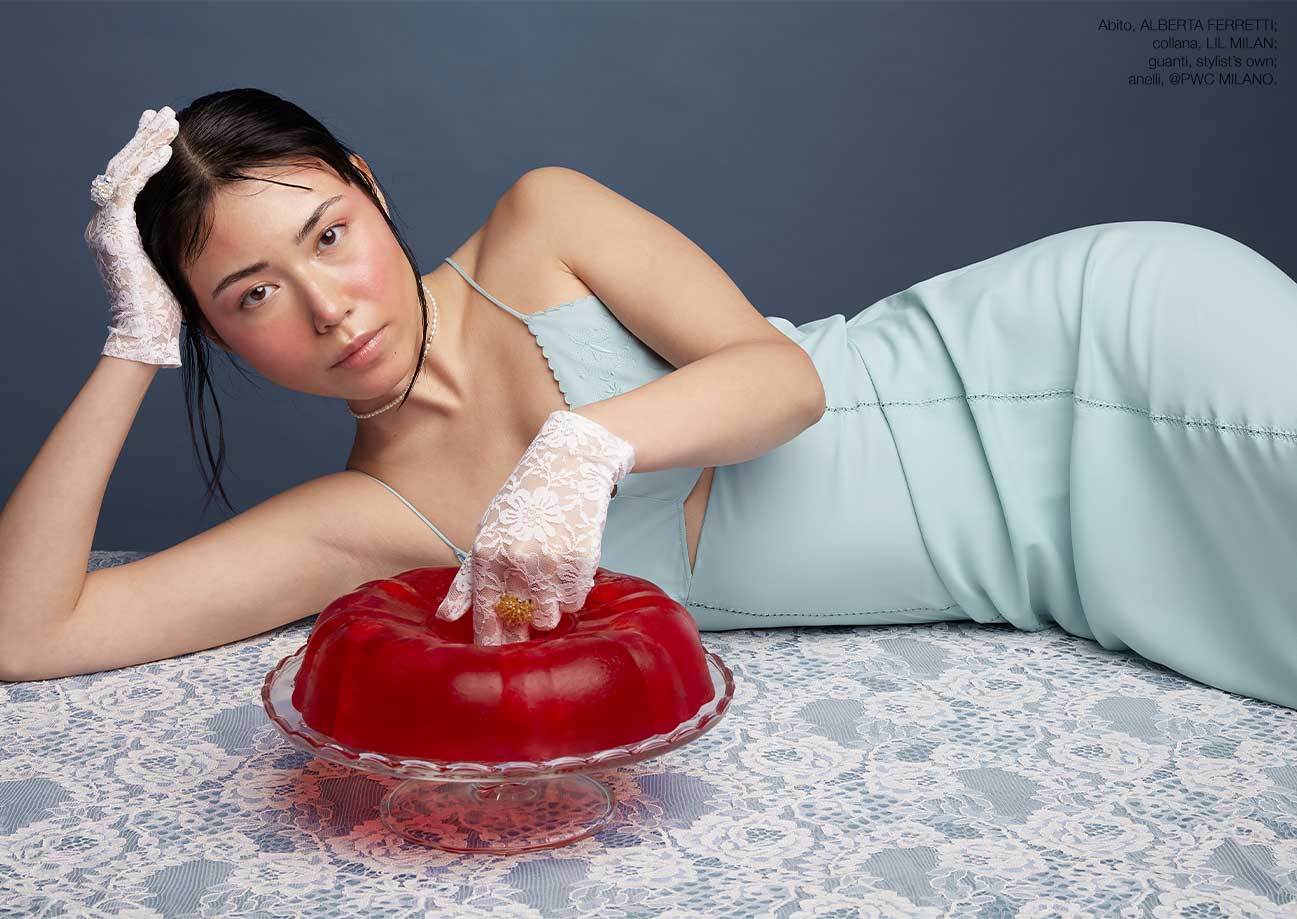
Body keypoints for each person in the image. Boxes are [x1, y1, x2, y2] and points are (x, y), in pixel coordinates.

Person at [2, 89, 1294, 712]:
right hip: (1072, 562)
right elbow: (29, 632)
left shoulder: (539, 225)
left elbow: (782, 381)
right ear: (211, 331)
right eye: (251, 297)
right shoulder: (370, 523)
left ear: (370, 187)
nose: (328, 307)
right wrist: (132, 337)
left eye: (329, 235)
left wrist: (583, 447)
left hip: (1093, 350)